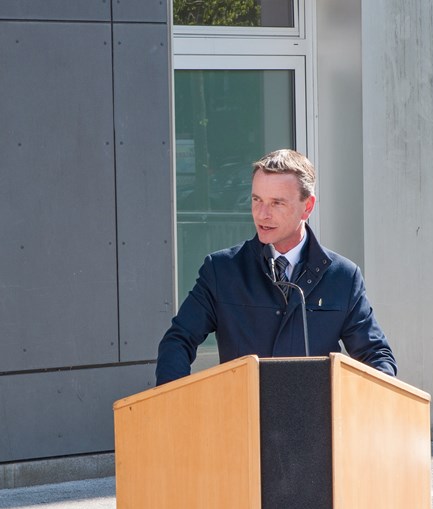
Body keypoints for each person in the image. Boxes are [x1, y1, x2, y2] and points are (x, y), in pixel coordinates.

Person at [155, 148, 395, 385]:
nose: (262, 214)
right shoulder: (221, 270)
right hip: (241, 418)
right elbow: (178, 340)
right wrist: (170, 402)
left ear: (308, 207)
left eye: (276, 203)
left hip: (315, 421)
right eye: (257, 200)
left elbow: (376, 356)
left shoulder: (343, 277)